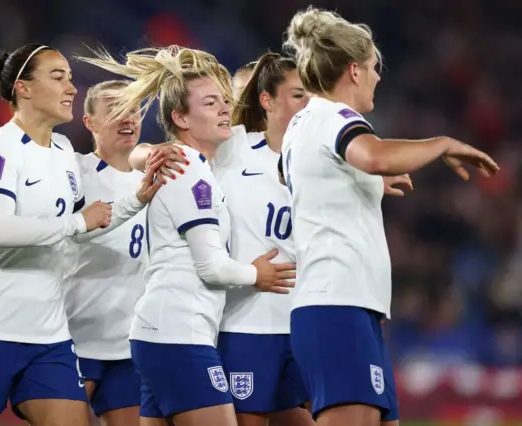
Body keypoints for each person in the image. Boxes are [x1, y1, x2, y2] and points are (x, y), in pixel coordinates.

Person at [280, 7, 499, 426]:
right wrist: (442, 143)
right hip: (337, 304)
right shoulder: (335, 117)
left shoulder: (304, 124)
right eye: (374, 67)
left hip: (345, 307)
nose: (379, 77)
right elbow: (374, 155)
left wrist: (361, 184)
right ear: (354, 71)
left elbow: (313, 181)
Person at [0, 43, 165, 426]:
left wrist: (133, 202)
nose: (71, 88)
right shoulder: (0, 149)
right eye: (58, 77)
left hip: (48, 335)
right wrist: (78, 222)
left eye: (70, 78)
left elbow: (75, 232)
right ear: (24, 89)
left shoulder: (63, 150)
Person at [78, 45, 296, 426]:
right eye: (211, 103)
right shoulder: (188, 172)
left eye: (224, 101)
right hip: (179, 335)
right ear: (181, 117)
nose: (225, 109)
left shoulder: (197, 167)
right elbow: (210, 265)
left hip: (162, 333)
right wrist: (255, 276)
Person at [212, 52, 314, 426]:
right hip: (247, 323)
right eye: (300, 94)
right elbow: (176, 149)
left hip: (302, 320)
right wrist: (146, 155)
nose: (308, 103)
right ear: (266, 100)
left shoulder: (322, 158)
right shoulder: (234, 146)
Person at [64, 79, 148, 426]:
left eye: (133, 109)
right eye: (114, 110)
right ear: (90, 123)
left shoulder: (156, 177)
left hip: (128, 341)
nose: (127, 118)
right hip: (74, 336)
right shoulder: (73, 172)